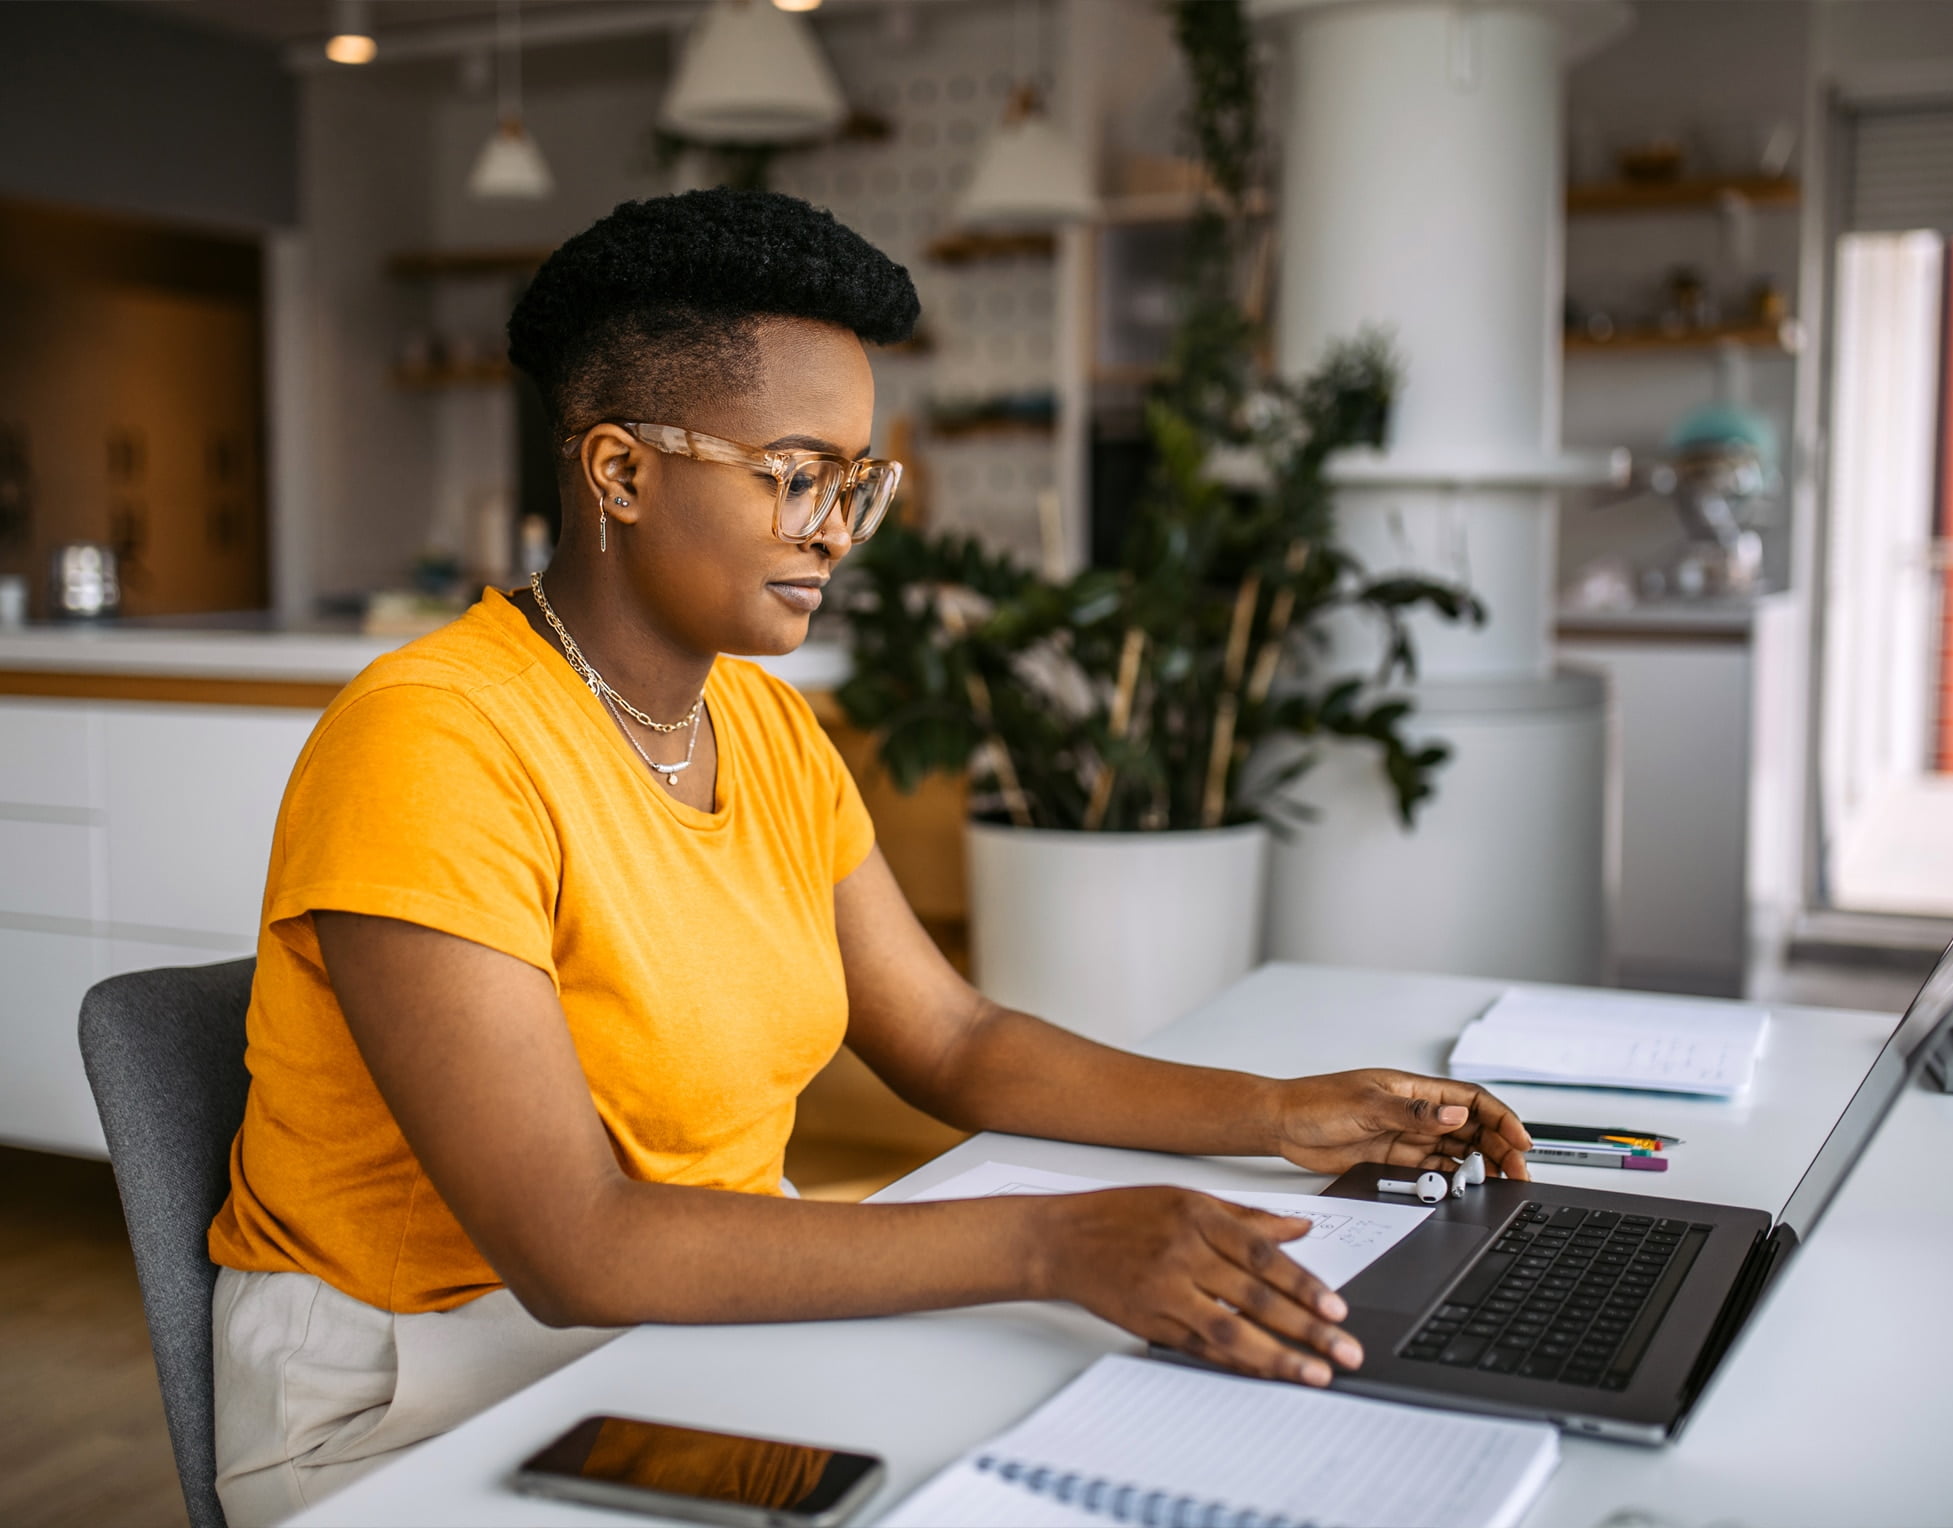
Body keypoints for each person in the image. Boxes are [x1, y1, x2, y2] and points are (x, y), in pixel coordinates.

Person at [205, 189, 1532, 1526]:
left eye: (858, 483)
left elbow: (952, 1040)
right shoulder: (429, 743)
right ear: (619, 472)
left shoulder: (764, 727)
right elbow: (576, 1246)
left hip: (693, 1331)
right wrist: (1054, 1242)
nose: (837, 531)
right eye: (795, 474)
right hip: (424, 1398)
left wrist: (1282, 1112)